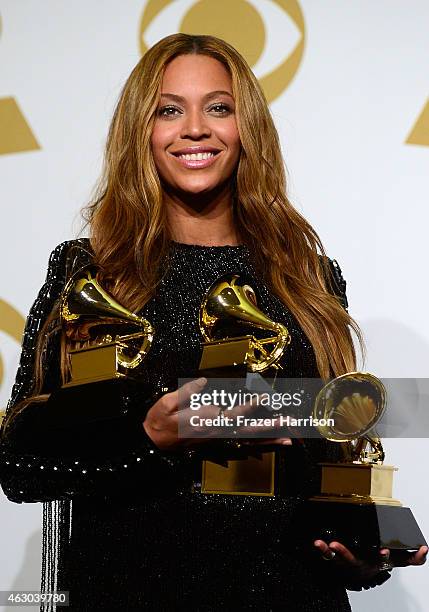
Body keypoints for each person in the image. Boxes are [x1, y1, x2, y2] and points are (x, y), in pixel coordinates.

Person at [0, 33, 426, 611]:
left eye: (219, 107)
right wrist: (146, 433)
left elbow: (325, 459)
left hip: (288, 596)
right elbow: (20, 463)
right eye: (169, 109)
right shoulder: (88, 273)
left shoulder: (308, 278)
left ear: (246, 127)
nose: (195, 128)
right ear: (140, 132)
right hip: (129, 591)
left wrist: (359, 548)